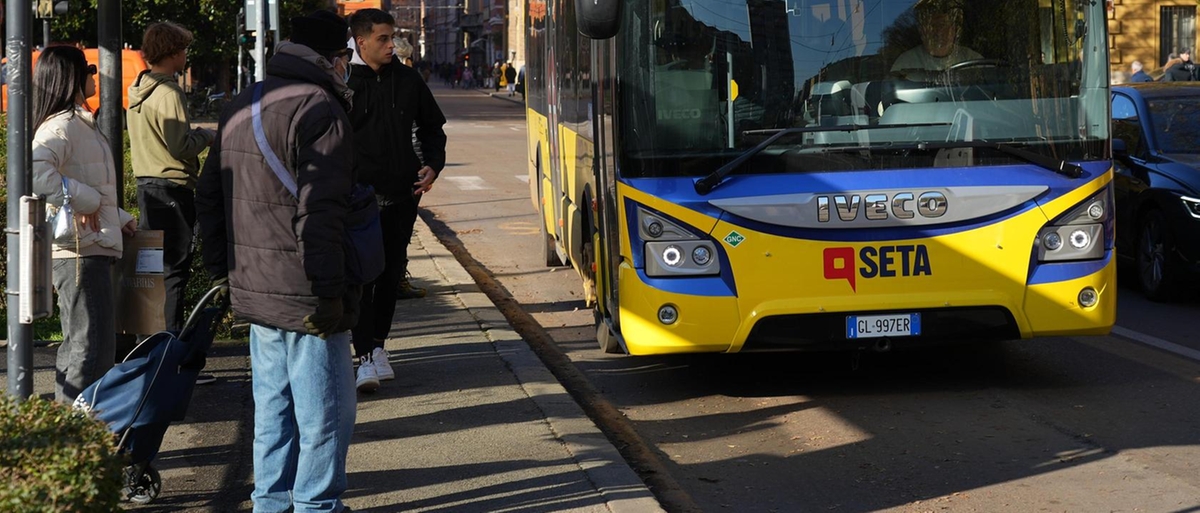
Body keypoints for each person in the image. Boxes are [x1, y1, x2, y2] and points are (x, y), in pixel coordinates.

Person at [195, 10, 359, 512]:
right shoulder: (320, 107)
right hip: (306, 288)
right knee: (326, 411)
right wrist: (329, 289)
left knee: (272, 407)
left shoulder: (240, 104)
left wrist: (223, 271)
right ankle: (315, 507)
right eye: (345, 58)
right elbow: (322, 210)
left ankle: (271, 502)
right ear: (333, 60)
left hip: (255, 286)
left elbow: (209, 196)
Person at [347, 8, 447, 393]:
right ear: (362, 42)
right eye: (383, 39)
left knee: (390, 274)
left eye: (393, 37)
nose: (392, 45)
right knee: (363, 276)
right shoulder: (342, 82)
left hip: (402, 195)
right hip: (357, 199)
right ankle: (365, 354)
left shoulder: (408, 80)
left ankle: (377, 346)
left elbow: (432, 127)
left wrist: (432, 165)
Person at [31, 45, 137, 402]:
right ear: (72, 77)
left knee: (92, 348)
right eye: (89, 70)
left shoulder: (77, 123)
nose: (95, 76)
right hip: (77, 252)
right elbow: (34, 175)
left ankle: (80, 439)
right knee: (88, 350)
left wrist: (118, 219)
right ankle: (73, 440)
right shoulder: (60, 127)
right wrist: (87, 200)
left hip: (88, 246)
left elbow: (88, 181)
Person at [127, 22, 219, 385]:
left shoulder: (139, 88)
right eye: (183, 49)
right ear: (174, 52)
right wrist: (208, 135)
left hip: (148, 187)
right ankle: (173, 358)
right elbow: (180, 146)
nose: (186, 55)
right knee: (174, 273)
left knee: (153, 275)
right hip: (172, 188)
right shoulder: (168, 93)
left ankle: (148, 352)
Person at [890, 0, 982, 79]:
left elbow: (989, 91)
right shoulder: (905, 62)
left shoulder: (972, 60)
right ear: (922, 31)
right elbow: (891, 95)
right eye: (932, 26)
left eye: (942, 25)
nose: (938, 31)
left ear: (953, 29)